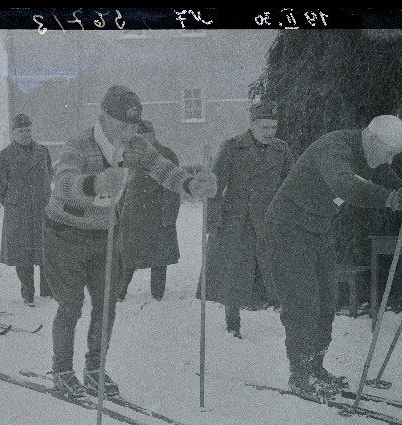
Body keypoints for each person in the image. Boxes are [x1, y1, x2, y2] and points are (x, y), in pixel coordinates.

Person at [263, 114, 402, 399]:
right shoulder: (335, 147)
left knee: (327, 301)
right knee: (303, 301)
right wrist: (390, 199)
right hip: (287, 228)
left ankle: (316, 366)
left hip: (319, 229)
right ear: (371, 139)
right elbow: (345, 185)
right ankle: (300, 373)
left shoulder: (372, 156)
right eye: (389, 153)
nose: (390, 161)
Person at [44, 84, 218, 399]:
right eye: (121, 125)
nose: (127, 132)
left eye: (133, 126)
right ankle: (61, 371)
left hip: (105, 232)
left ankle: (95, 369)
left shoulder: (135, 146)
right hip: (65, 231)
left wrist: (192, 185)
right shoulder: (79, 145)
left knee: (107, 304)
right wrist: (94, 181)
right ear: (103, 118)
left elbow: (164, 171)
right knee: (71, 305)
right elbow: (63, 182)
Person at [196, 100, 293, 338]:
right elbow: (215, 187)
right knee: (234, 273)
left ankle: (287, 321)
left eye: (273, 127)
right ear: (252, 126)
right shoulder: (232, 147)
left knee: (274, 271)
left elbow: (290, 187)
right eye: (264, 127)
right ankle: (232, 322)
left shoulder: (282, 151)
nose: (270, 133)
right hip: (237, 222)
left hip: (267, 222)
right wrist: (213, 220)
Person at [0, 114, 53, 306]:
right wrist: (12, 201)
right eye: (21, 131)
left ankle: (47, 291)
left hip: (42, 208)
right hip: (19, 212)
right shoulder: (4, 156)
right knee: (21, 253)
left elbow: (49, 175)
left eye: (28, 130)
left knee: (45, 249)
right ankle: (27, 293)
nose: (25, 134)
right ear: (13, 133)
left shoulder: (43, 151)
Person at [117, 119, 181, 302]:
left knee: (159, 258)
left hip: (156, 214)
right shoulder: (126, 156)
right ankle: (120, 292)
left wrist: (168, 217)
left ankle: (157, 294)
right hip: (132, 213)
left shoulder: (166, 155)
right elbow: (122, 185)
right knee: (127, 256)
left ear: (153, 135)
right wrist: (119, 209)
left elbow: (173, 188)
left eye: (147, 136)